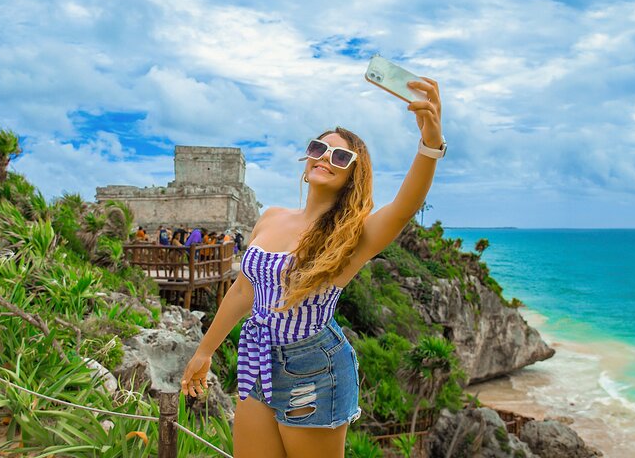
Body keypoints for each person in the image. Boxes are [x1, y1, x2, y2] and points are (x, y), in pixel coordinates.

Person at [180, 77, 445, 457]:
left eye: (341, 157)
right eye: (318, 148)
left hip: (315, 370)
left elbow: (406, 204)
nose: (325, 157)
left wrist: (430, 143)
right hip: (257, 355)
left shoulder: (352, 236)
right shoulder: (270, 217)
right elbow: (243, 290)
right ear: (307, 162)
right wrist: (205, 351)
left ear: (353, 175)